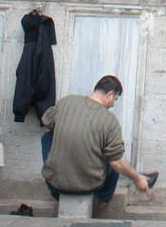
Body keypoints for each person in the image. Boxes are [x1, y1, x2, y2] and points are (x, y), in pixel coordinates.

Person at [40, 75, 156, 207]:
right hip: (88, 187)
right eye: (115, 99)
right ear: (110, 94)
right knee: (114, 159)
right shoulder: (109, 120)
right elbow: (117, 162)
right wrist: (137, 178)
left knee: (48, 137)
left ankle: (58, 176)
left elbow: (46, 121)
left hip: (54, 184)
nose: (113, 104)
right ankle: (100, 200)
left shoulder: (66, 102)